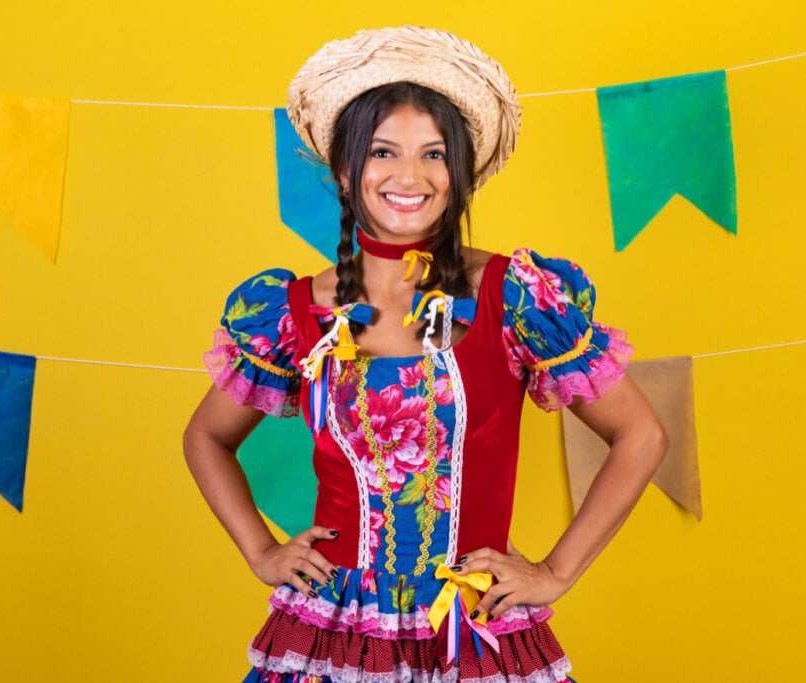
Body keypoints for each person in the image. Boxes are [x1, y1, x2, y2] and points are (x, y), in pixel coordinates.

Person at [184, 25, 667, 683]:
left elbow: (640, 434)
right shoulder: (295, 311)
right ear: (346, 169)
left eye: (433, 154)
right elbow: (205, 436)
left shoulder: (514, 296)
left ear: (460, 171)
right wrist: (262, 551)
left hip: (471, 630)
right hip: (335, 635)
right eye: (383, 151)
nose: (408, 176)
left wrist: (555, 571)